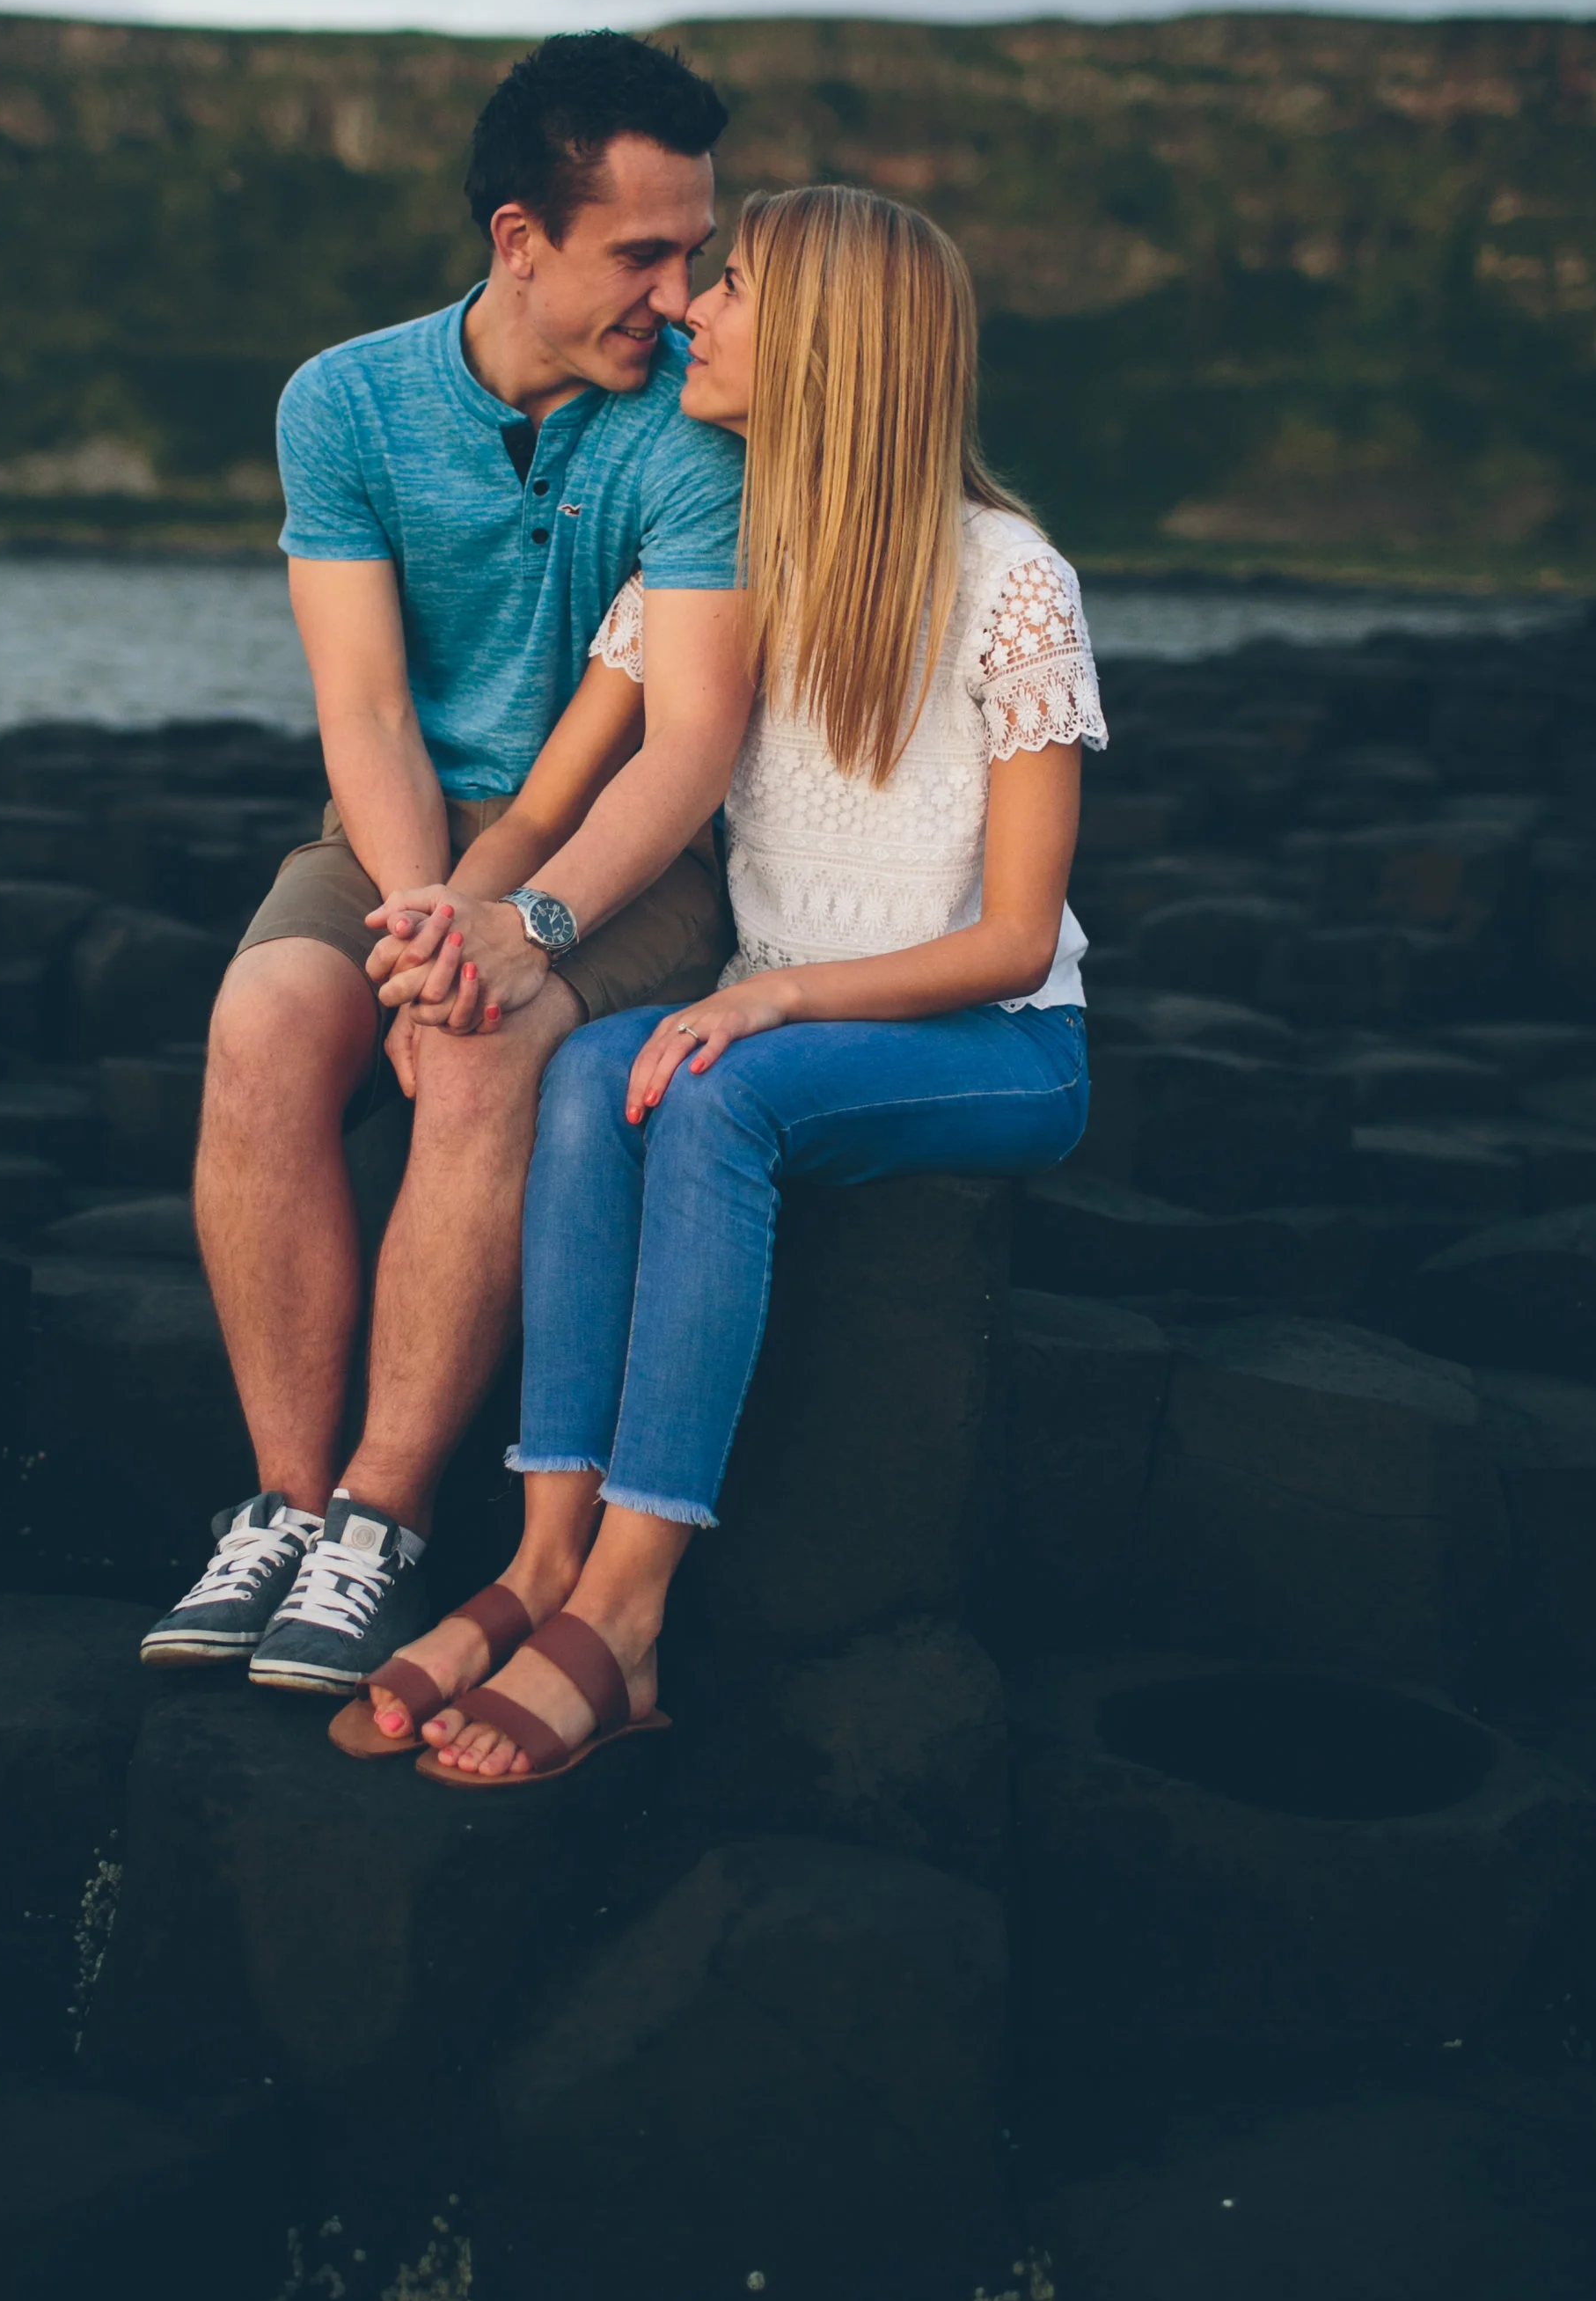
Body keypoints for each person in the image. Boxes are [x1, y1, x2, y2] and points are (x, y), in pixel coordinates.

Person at [348, 180, 1107, 1779]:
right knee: (579, 1068)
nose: (691, 306)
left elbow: (1020, 939)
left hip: (993, 1041)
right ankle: (542, 1557)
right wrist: (447, 941)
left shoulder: (1010, 576)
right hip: (771, 1011)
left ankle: (625, 1616)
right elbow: (552, 803)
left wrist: (773, 998)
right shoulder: (711, 557)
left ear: (833, 345)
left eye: (737, 286)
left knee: (710, 1087)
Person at [142, 32, 754, 1700]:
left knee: (482, 1045)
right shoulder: (343, 402)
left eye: (695, 248)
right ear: (519, 241)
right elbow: (363, 708)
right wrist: (421, 923)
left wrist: (512, 930)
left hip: (634, 864)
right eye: (646, 251)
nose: (683, 292)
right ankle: (280, 1498)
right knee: (268, 1014)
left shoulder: (696, 431)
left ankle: (384, 1516)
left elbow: (688, 748)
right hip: (395, 833)